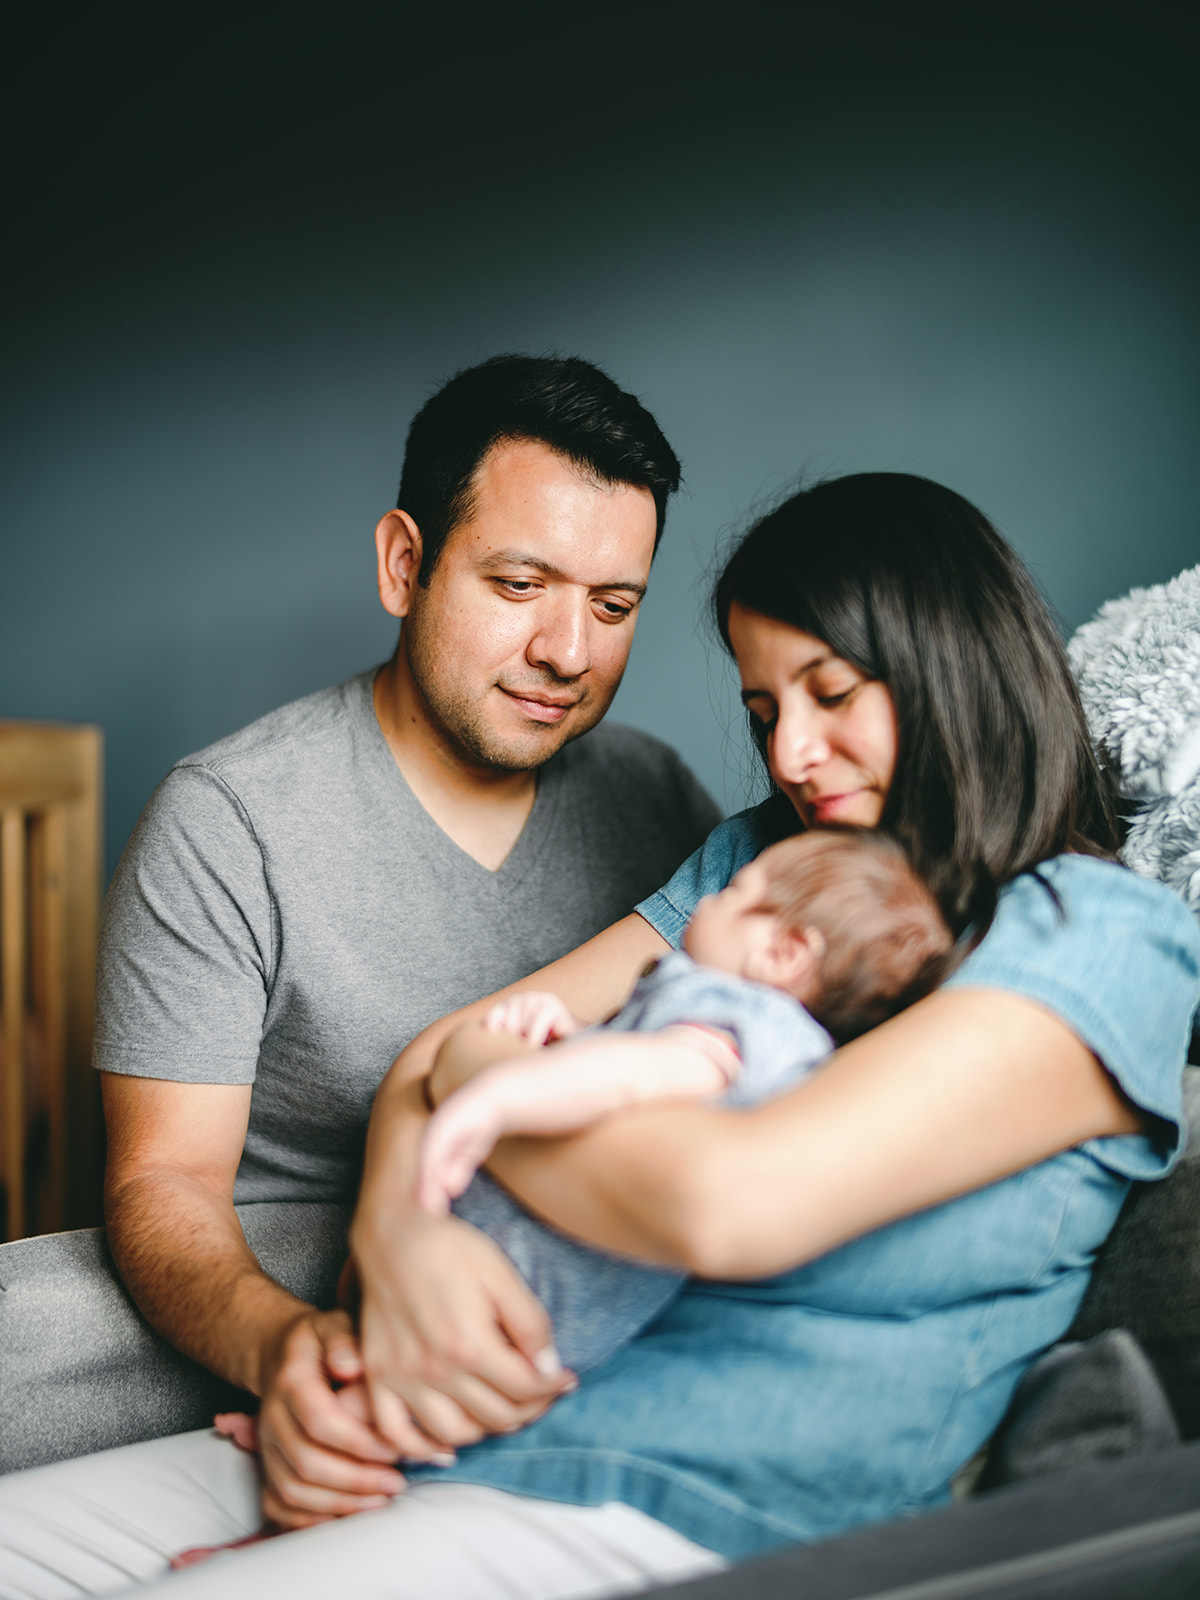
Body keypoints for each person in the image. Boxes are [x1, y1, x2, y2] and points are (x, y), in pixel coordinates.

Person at [2, 472, 1198, 1600]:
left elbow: (719, 1203)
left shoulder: (1098, 935)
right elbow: (432, 1051)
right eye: (764, 708)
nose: (788, 754)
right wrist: (403, 1236)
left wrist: (482, 1101)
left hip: (690, 1499)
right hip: (453, 1428)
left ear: (956, 670)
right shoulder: (763, 863)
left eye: (831, 695)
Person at [0, 357, 720, 1480]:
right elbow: (164, 1183)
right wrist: (289, 1351)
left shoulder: (661, 802)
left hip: (569, 1317)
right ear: (404, 564)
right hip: (277, 1303)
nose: (568, 652)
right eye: (520, 585)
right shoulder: (226, 822)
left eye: (613, 604)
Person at [420, 827, 955, 1375]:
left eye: (734, 894)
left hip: (529, 1270)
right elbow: (640, 1070)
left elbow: (632, 1075)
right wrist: (572, 1034)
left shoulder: (733, 1015)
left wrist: (496, 1098)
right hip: (557, 1301)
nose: (708, 900)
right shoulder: (755, 1039)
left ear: (782, 953)